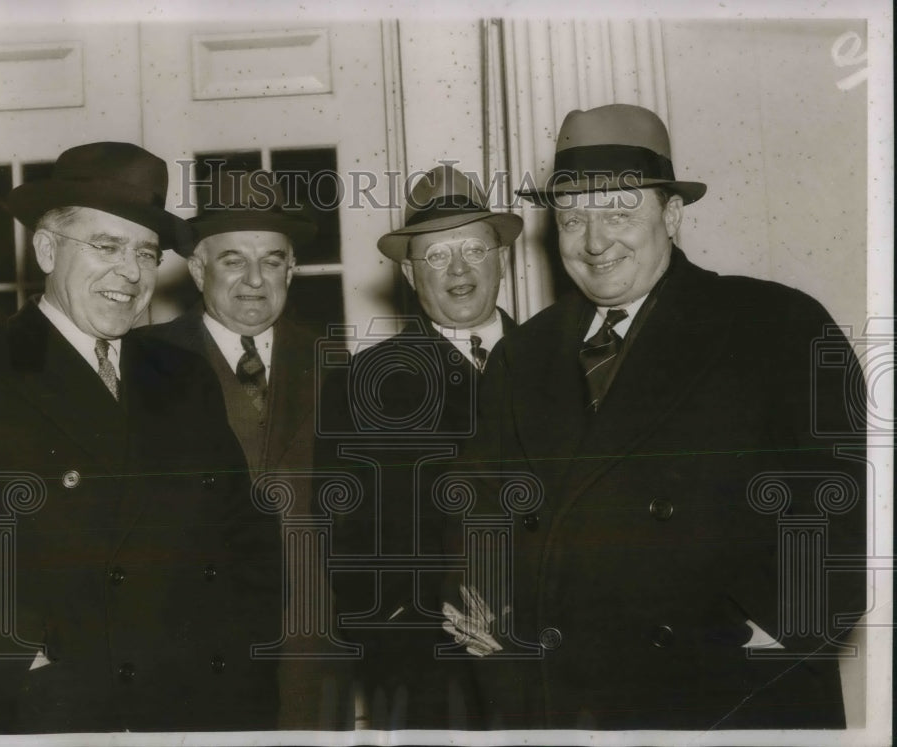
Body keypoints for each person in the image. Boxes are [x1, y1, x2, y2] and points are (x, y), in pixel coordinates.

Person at [443, 104, 867, 730]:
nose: (594, 240)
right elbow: (477, 514)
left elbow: (852, 501)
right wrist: (499, 648)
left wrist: (775, 631)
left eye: (619, 212)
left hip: (724, 696)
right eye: (573, 217)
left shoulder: (776, 325)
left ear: (670, 214)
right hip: (559, 704)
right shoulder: (522, 355)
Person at [0, 142, 280, 733]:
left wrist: (244, 661)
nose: (131, 272)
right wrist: (23, 672)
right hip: (65, 711)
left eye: (146, 252)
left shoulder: (181, 373)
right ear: (45, 248)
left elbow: (244, 536)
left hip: (206, 704)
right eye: (106, 246)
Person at [317, 164, 523, 729]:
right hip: (429, 674)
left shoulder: (563, 360)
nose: (457, 269)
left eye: (473, 249)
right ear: (410, 273)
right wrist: (421, 628)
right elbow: (348, 545)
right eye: (435, 256)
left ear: (501, 257)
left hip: (556, 658)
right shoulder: (363, 384)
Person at [144, 169, 350, 730]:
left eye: (273, 260)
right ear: (197, 269)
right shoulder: (144, 363)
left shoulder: (339, 367)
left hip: (311, 648)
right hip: (190, 650)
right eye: (233, 259)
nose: (255, 280)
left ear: (293, 268)